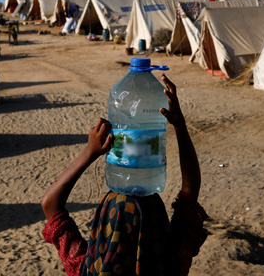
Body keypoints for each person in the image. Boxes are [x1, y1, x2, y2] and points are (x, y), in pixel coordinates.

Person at [41, 75, 207, 276]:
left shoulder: (87, 270)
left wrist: (90, 152)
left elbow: (50, 204)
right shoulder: (170, 265)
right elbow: (190, 192)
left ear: (103, 231)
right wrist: (180, 126)